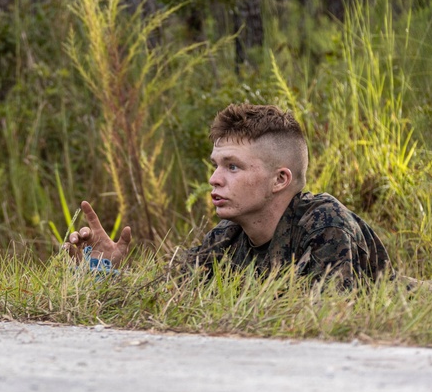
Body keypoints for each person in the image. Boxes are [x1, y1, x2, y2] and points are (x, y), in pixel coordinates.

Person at [64, 103, 391, 289]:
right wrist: (106, 272)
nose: (214, 179)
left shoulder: (321, 220)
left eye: (232, 167)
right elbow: (161, 295)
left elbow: (324, 317)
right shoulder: (226, 237)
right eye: (216, 166)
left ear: (280, 179)